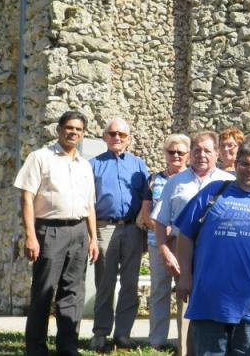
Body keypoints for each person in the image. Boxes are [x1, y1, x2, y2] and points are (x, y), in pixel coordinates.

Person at [175, 140, 250, 356]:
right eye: (244, 164)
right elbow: (185, 234)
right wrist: (185, 275)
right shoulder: (214, 192)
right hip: (210, 301)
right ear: (236, 164)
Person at [14, 110, 99, 356]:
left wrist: (93, 238)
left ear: (83, 134)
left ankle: (68, 348)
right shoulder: (40, 157)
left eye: (79, 129)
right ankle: (36, 349)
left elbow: (89, 205)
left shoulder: (84, 165)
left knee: (73, 292)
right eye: (69, 128)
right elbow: (26, 198)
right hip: (49, 231)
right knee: (44, 291)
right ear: (59, 129)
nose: (73, 133)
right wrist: (30, 235)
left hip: (79, 232)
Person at [154, 131, 234, 356]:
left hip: (218, 254)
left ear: (217, 153)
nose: (201, 155)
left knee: (216, 305)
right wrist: (165, 252)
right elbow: (160, 220)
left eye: (207, 150)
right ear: (190, 153)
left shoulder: (229, 182)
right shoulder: (175, 181)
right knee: (186, 306)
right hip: (183, 251)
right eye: (197, 150)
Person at [89, 118, 151, 352]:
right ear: (105, 136)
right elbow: (88, 202)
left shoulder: (139, 165)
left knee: (130, 283)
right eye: (112, 133)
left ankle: (123, 334)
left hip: (133, 229)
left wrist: (144, 233)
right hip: (104, 228)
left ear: (129, 139)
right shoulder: (93, 165)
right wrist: (91, 235)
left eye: (122, 135)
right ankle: (100, 333)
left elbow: (147, 199)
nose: (117, 138)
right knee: (104, 283)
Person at [147, 133, 191, 350]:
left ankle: (184, 344)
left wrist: (173, 231)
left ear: (188, 155)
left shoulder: (192, 180)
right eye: (171, 152)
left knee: (185, 291)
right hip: (158, 243)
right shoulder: (154, 179)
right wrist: (160, 229)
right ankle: (157, 341)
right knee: (159, 291)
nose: (176, 156)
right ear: (165, 153)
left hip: (184, 244)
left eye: (180, 152)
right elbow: (145, 212)